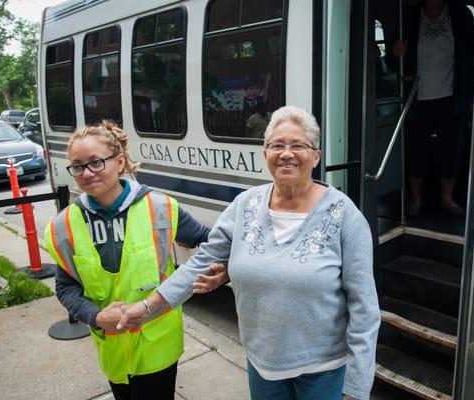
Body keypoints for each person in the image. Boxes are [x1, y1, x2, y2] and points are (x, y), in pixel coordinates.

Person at [117, 106, 381, 400]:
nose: (286, 153)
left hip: (324, 371)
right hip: (262, 367)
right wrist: (146, 309)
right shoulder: (245, 205)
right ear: (265, 153)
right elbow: (201, 261)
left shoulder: (345, 216)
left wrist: (356, 390)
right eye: (277, 145)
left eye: (298, 145)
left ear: (316, 156)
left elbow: (364, 310)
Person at [44, 121, 228, 400]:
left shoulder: (160, 208)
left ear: (119, 162)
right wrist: (94, 316)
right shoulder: (64, 225)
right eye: (78, 165)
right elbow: (66, 287)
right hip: (112, 350)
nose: (86, 173)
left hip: (158, 347)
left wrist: (221, 270)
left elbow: (211, 243)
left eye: (96, 162)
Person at [392, 0, 474, 217]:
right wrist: (396, 54)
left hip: (452, 95)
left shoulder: (461, 15)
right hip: (416, 96)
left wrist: (472, 95)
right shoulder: (409, 17)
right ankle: (416, 197)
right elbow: (393, 61)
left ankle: (447, 197)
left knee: (452, 147)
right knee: (416, 148)